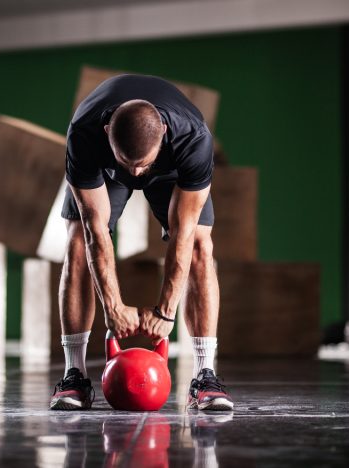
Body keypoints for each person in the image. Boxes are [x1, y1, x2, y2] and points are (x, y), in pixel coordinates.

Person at [49, 74, 233, 412]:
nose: (135, 174)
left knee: (200, 248)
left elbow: (184, 234)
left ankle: (205, 374)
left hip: (171, 168)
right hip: (105, 169)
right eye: (129, 164)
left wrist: (166, 311)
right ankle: (73, 374)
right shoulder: (85, 134)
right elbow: (95, 231)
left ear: (163, 132)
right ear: (108, 134)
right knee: (76, 241)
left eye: (142, 165)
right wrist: (114, 307)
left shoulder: (193, 139)